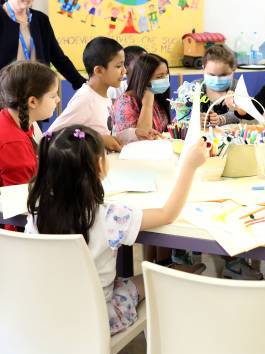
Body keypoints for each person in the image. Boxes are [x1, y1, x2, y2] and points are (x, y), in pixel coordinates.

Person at [25, 125, 207, 334]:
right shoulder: (109, 216)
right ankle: (187, 273)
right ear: (100, 165)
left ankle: (182, 270)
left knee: (124, 280)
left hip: (47, 315)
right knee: (154, 277)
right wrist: (189, 167)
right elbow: (167, 213)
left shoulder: (36, 213)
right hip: (96, 321)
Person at [48, 36, 124, 152]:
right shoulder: (85, 98)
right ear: (98, 70)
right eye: (118, 66)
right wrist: (99, 139)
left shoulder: (104, 95)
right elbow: (52, 137)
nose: (124, 71)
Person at [0, 0, 85, 90]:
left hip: (39, 91)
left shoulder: (41, 19)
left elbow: (58, 58)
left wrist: (82, 84)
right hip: (7, 93)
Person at [0, 61, 58, 188]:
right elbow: (21, 201)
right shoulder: (15, 145)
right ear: (32, 101)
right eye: (53, 96)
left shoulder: (10, 116)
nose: (58, 100)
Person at [111, 53, 170, 144]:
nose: (165, 79)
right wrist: (147, 105)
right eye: (159, 77)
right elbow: (143, 139)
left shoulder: (157, 96)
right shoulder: (125, 102)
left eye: (166, 75)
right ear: (143, 79)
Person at [199, 44, 241, 128]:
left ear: (233, 69)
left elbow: (242, 115)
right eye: (211, 74)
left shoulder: (238, 88)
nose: (217, 80)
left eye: (223, 75)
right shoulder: (195, 88)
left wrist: (221, 119)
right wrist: (195, 118)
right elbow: (181, 116)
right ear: (203, 69)